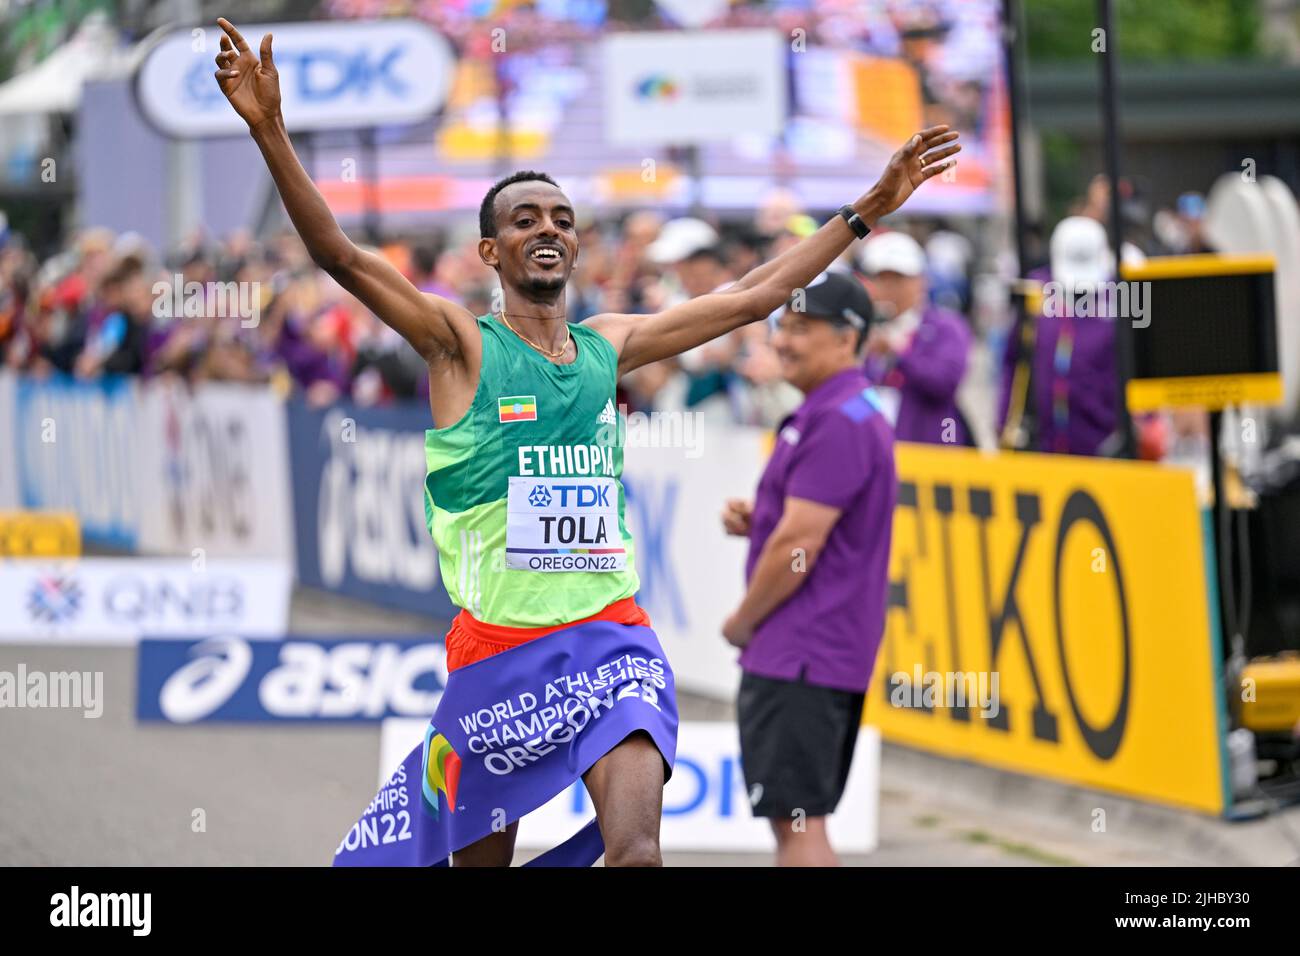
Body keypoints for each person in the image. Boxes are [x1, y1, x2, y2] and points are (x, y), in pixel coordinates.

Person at [212, 16, 959, 868]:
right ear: (493, 250)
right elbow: (342, 258)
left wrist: (866, 210)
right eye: (525, 217)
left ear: (575, 242)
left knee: (635, 854)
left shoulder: (611, 345)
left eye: (561, 217)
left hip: (611, 639)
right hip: (497, 655)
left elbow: (752, 297)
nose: (547, 227)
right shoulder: (460, 345)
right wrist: (270, 130)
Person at [720, 271, 896, 867]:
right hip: (817, 653)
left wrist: (743, 621)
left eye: (801, 328)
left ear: (848, 339)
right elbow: (804, 526)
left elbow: (802, 541)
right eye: (780, 328)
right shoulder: (836, 412)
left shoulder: (839, 419)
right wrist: (760, 520)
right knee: (799, 821)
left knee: (798, 827)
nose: (784, 342)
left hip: (800, 654)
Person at [860, 231, 972, 446]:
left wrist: (898, 355)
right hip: (876, 448)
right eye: (882, 279)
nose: (889, 287)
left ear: (921, 280)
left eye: (898, 279)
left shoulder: (945, 326)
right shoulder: (865, 327)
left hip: (929, 452)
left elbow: (944, 382)